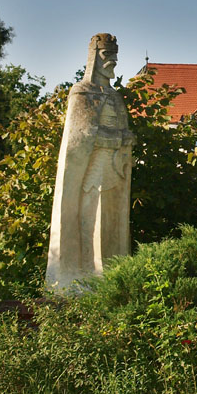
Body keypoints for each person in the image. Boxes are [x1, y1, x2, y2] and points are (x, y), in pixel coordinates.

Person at [46, 33, 134, 293]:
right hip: (92, 172)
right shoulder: (82, 92)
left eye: (115, 56)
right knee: (93, 224)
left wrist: (126, 139)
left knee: (114, 226)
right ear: (94, 58)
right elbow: (82, 135)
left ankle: (113, 282)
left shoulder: (115, 96)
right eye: (108, 55)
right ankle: (88, 280)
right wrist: (118, 138)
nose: (113, 61)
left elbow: (120, 131)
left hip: (115, 170)